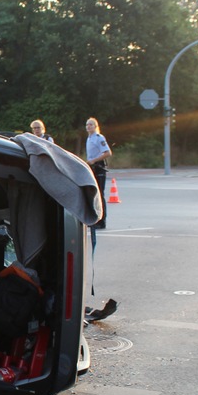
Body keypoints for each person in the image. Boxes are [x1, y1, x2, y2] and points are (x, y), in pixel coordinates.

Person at [84, 117, 116, 322]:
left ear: (96, 126)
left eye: (91, 125)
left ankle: (101, 220)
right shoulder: (89, 138)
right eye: (87, 125)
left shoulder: (99, 137)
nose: (89, 127)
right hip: (93, 167)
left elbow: (107, 152)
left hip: (98, 168)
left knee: (100, 195)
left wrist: (94, 162)